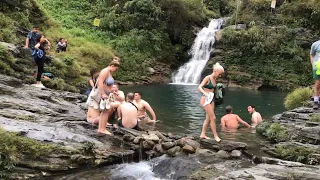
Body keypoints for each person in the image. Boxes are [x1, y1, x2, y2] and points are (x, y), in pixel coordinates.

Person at [198, 62, 225, 142]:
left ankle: (202, 134)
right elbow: (199, 87)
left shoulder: (215, 79)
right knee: (213, 117)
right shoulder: (208, 78)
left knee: (208, 118)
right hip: (205, 99)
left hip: (211, 99)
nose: (220, 76)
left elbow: (213, 90)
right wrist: (205, 93)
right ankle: (216, 136)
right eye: (219, 74)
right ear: (215, 71)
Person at [97, 60, 120, 135]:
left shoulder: (108, 72)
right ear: (112, 66)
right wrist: (103, 93)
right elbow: (100, 82)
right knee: (105, 112)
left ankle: (101, 128)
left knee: (105, 112)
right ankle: (102, 129)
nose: (115, 71)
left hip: (107, 93)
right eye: (115, 69)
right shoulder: (105, 71)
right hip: (104, 94)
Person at [310, 39, 320, 109]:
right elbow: (311, 55)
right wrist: (313, 64)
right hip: (317, 68)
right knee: (317, 83)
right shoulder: (315, 44)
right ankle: (316, 102)